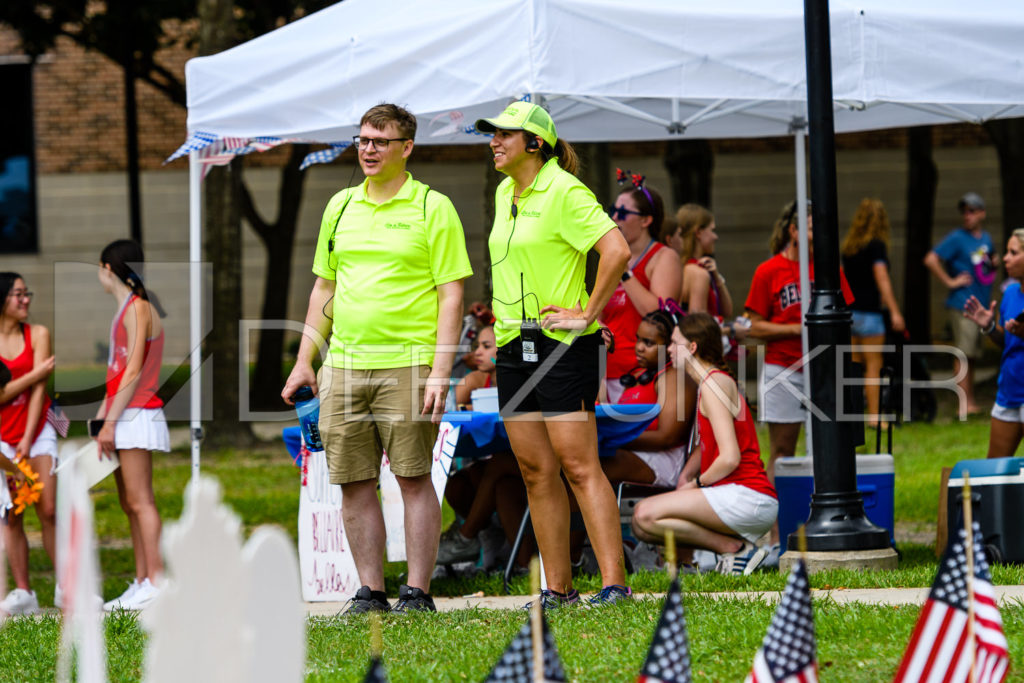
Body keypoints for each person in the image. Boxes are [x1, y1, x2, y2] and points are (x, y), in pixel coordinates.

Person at [282, 103, 472, 615]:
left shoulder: (433, 207)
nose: (367, 149)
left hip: (409, 363)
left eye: (379, 141)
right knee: (353, 481)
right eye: (363, 139)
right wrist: (306, 360)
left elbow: (451, 294)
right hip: (341, 365)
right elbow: (325, 287)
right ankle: (371, 591)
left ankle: (417, 591)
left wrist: (440, 370)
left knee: (413, 478)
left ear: (405, 148)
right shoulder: (340, 205)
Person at [474, 100, 631, 607]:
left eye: (505, 135)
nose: (494, 142)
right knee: (535, 470)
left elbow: (617, 250)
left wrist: (587, 314)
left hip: (562, 345)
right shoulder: (503, 192)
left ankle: (614, 586)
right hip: (512, 344)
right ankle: (557, 590)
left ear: (534, 143)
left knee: (578, 466)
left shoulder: (564, 189)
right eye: (491, 134)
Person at [631, 313, 778, 575]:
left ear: (693, 347)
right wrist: (687, 473)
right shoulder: (711, 382)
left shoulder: (713, 384)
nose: (670, 350)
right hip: (738, 495)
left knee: (644, 514)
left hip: (746, 495)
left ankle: (735, 549)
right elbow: (711, 442)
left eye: (675, 343)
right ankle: (736, 550)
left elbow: (730, 457)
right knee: (640, 525)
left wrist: (696, 484)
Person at [744, 201, 852, 547]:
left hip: (822, 368)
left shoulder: (827, 268)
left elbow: (846, 312)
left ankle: (820, 521)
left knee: (826, 448)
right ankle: (778, 532)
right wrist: (795, 329)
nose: (818, 234)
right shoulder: (769, 271)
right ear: (793, 230)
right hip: (782, 370)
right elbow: (753, 325)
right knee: (782, 450)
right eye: (810, 226)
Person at [92, 240, 171, 611]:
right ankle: (141, 581)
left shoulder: (139, 308)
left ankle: (156, 579)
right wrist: (103, 415)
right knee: (128, 503)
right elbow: (116, 370)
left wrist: (109, 422)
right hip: (123, 415)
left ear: (107, 267)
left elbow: (134, 370)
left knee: (141, 501)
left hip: (137, 414)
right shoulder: (127, 307)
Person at [437, 325, 523, 568]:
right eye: (477, 347)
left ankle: (467, 536)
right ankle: (485, 535)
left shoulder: (519, 379)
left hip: (519, 457)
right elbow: (455, 403)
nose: (478, 353)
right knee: (460, 481)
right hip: (496, 456)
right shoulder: (479, 379)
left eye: (487, 347)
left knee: (496, 468)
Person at [0, 273, 57, 616]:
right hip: (2, 439)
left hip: (37, 432)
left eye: (26, 294)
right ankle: (24, 592)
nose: (25, 300)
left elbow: (40, 392)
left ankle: (67, 587)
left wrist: (27, 437)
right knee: (12, 515)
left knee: (48, 508)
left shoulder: (38, 334)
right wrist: (36, 374)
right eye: (18, 295)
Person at [601, 172, 681, 400]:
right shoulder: (610, 256)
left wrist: (625, 274)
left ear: (646, 220)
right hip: (606, 371)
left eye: (624, 213)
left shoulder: (663, 256)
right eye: (613, 210)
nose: (615, 218)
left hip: (643, 372)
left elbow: (658, 316)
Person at [603, 310, 694, 489]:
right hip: (631, 452)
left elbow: (668, 437)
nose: (639, 347)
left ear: (669, 346)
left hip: (664, 459)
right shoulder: (637, 376)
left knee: (592, 465)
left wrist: (611, 439)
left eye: (649, 343)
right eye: (638, 339)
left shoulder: (674, 376)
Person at [924, 192, 997, 415]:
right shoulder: (956, 238)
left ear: (982, 213)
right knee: (963, 354)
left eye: (972, 211)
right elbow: (930, 259)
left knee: (972, 355)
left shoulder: (986, 239)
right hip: (962, 305)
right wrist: (950, 281)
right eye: (964, 212)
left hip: (980, 306)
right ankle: (963, 406)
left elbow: (987, 266)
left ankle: (970, 402)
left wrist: (994, 264)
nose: (967, 216)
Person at [841, 198, 906, 429]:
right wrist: (895, 312)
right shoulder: (876, 245)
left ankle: (852, 415)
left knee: (854, 366)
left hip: (850, 313)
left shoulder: (849, 247)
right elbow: (882, 278)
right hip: (870, 314)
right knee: (873, 366)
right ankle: (875, 416)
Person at [963, 229, 1024, 458]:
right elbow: (1006, 341)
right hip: (1008, 392)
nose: (1005, 258)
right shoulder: (1010, 293)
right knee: (995, 471)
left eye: (1013, 252)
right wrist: (989, 326)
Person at [664, 203, 733, 318]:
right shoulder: (697, 273)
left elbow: (726, 311)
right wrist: (732, 330)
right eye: (712, 230)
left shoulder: (686, 267)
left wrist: (717, 279)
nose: (715, 237)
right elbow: (698, 329)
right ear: (699, 233)